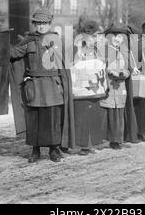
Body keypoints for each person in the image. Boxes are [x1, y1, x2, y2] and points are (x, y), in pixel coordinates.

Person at [10, 10, 75, 163]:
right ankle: (35, 150)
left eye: (44, 23)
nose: (41, 27)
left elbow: (65, 63)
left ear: (49, 24)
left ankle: (54, 149)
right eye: (38, 24)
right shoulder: (29, 42)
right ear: (34, 25)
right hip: (34, 87)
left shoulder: (57, 41)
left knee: (52, 118)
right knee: (34, 119)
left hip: (53, 85)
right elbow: (13, 54)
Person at [100, 22, 138, 149]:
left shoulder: (126, 52)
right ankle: (103, 137)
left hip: (121, 86)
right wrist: (108, 71)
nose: (117, 39)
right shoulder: (103, 51)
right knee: (108, 111)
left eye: (120, 37)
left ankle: (116, 139)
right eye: (114, 36)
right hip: (108, 85)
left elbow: (130, 68)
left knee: (118, 112)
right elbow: (98, 67)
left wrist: (125, 73)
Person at [71, 20, 107, 155]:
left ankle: (92, 143)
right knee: (83, 116)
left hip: (95, 88)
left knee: (94, 115)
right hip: (82, 88)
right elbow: (75, 66)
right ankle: (82, 145)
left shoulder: (97, 50)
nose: (98, 38)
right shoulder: (79, 49)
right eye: (96, 35)